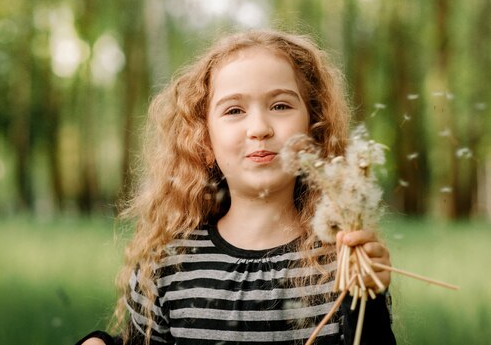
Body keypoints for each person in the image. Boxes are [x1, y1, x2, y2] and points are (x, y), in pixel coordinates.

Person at [76, 29, 396, 345]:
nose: (259, 128)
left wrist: (369, 296)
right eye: (234, 110)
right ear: (203, 138)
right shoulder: (167, 265)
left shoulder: (341, 262)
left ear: (314, 127)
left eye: (280, 106)